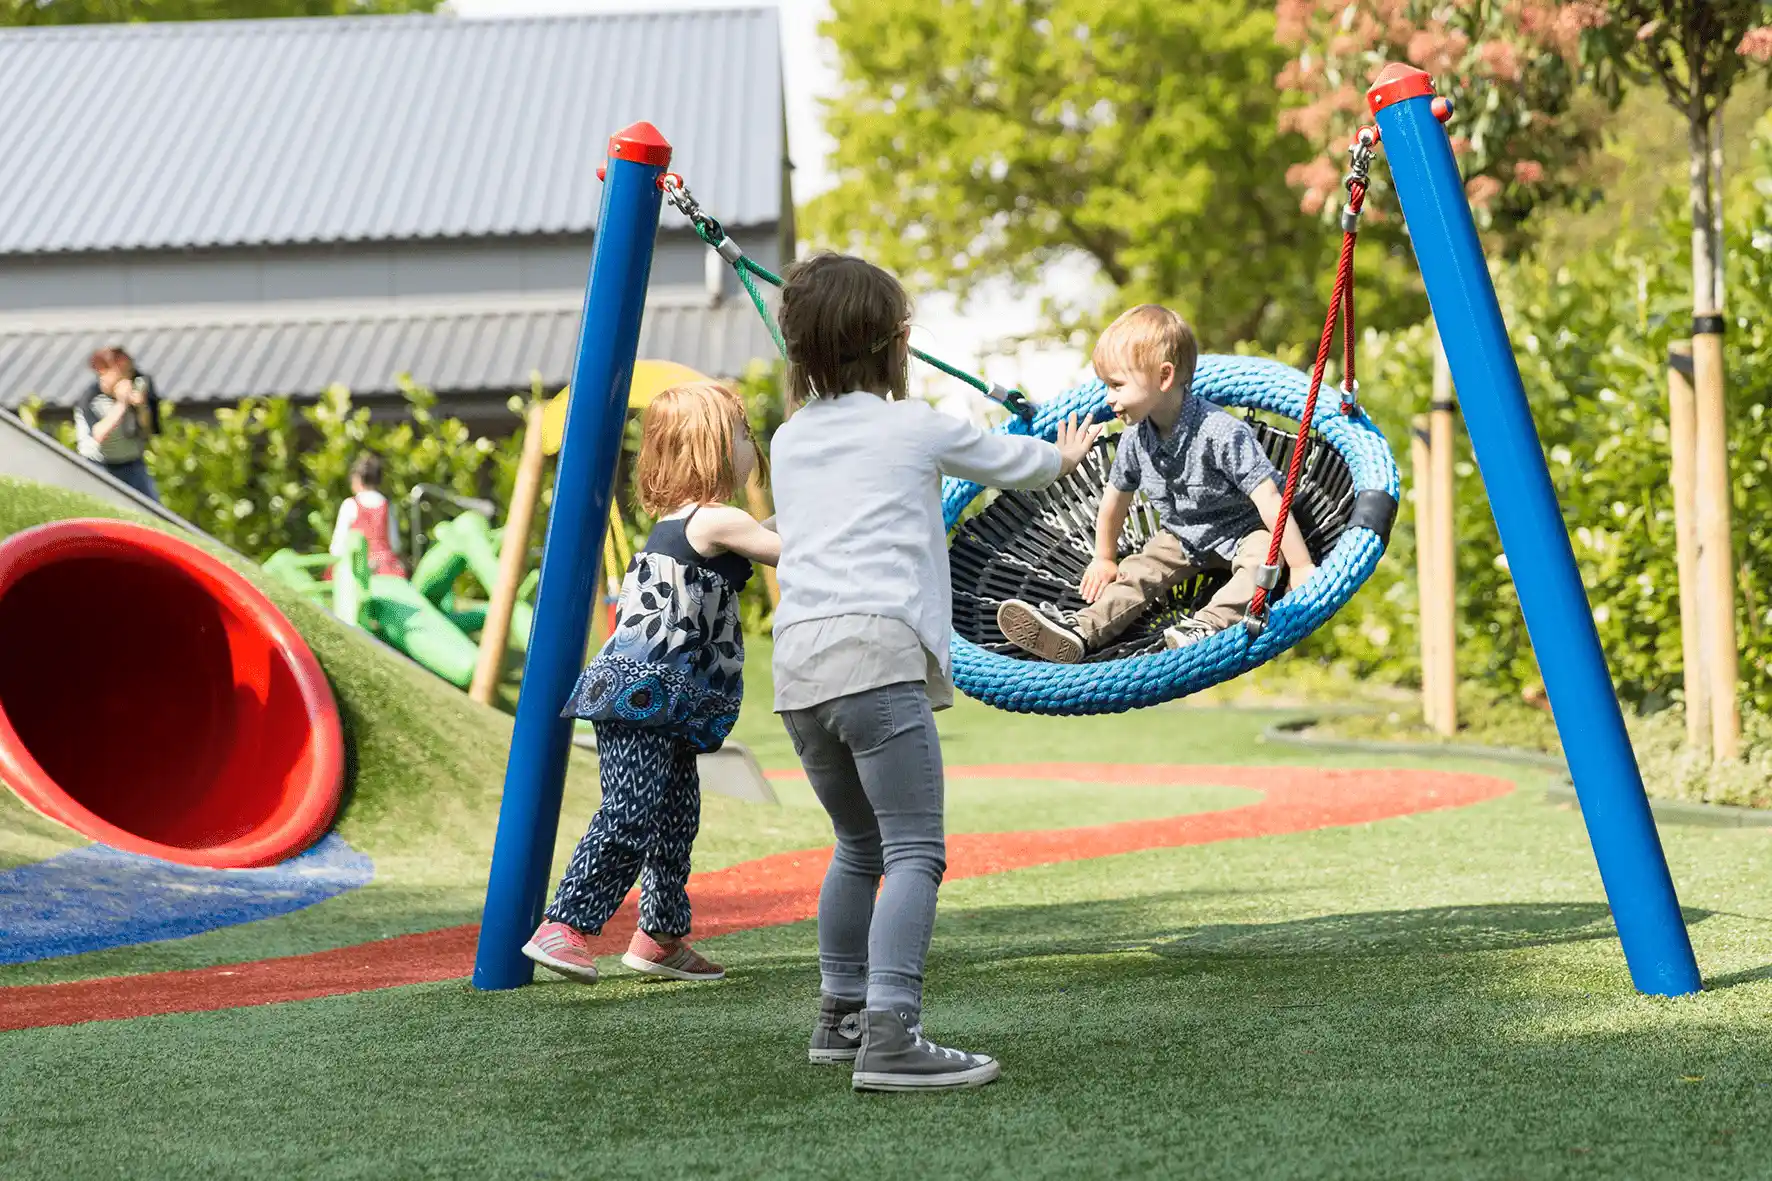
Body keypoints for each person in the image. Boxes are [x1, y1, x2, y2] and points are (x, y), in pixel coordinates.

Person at [768, 252, 1102, 1093]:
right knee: (915, 849)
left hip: (799, 668)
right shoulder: (913, 425)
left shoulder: (789, 438)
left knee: (857, 845)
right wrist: (1065, 454)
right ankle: (892, 1035)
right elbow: (1014, 462)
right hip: (876, 658)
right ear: (894, 344)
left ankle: (841, 1016)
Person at [523, 382, 780, 985]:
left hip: (662, 703)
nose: (752, 445)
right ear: (714, 448)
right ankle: (564, 925)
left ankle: (660, 937)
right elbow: (791, 550)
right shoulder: (717, 519)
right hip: (643, 697)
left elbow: (767, 532)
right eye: (743, 434)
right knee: (631, 813)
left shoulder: (693, 520)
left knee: (673, 820)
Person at [995, 304, 1317, 664]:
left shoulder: (1221, 432)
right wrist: (1105, 557)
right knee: (1138, 570)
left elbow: (1271, 498)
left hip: (1246, 529)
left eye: (1117, 385)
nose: (1108, 398)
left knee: (1261, 563)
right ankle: (1081, 630)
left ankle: (1206, 625)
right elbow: (1113, 502)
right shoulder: (1135, 438)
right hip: (1183, 535)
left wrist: (1301, 565)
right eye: (1106, 386)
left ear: (1164, 377)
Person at [73, 347, 161, 502]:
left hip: (132, 464)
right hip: (99, 465)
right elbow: (99, 435)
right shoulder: (92, 398)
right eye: (121, 371)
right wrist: (121, 403)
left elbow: (148, 430)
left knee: (151, 507)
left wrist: (141, 407)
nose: (127, 377)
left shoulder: (140, 385)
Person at [329, 454, 407, 578]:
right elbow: (395, 544)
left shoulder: (350, 504)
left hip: (359, 568)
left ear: (358, 479)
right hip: (385, 569)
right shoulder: (387, 506)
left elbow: (337, 546)